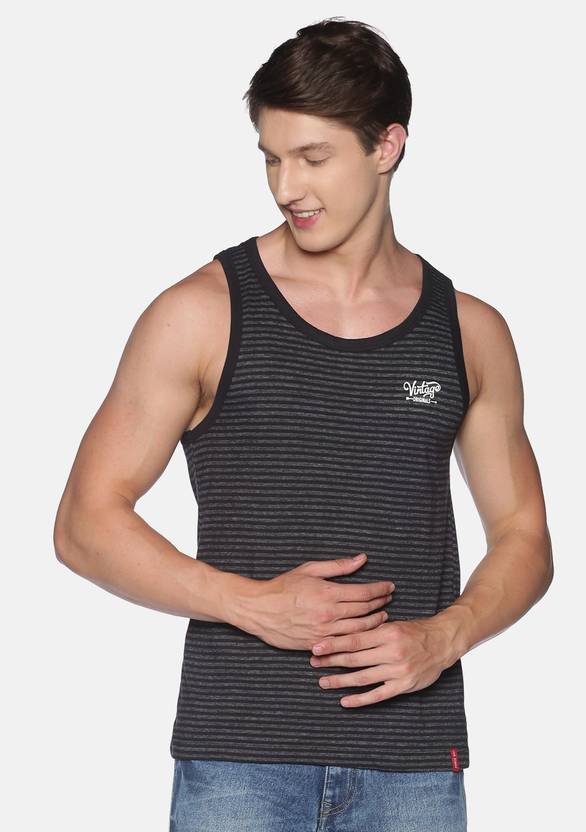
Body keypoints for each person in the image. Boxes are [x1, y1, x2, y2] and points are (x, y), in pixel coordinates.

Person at [53, 16, 553, 832]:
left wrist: (445, 636)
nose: (287, 186)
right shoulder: (200, 313)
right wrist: (251, 604)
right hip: (238, 766)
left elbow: (525, 534)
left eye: (313, 158)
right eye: (271, 158)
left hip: (414, 771)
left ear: (387, 146)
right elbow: (83, 523)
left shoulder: (468, 331)